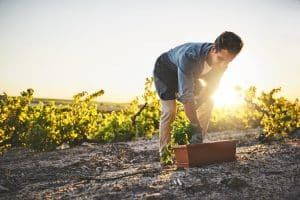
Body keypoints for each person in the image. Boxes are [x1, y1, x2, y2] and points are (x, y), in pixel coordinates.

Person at [153, 31, 243, 162]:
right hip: (165, 71)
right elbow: (186, 96)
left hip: (191, 73)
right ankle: (165, 154)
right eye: (221, 59)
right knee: (170, 111)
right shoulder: (189, 57)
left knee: (208, 102)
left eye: (228, 61)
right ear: (213, 49)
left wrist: (199, 104)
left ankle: (196, 146)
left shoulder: (222, 63)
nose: (223, 65)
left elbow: (212, 87)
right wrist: (194, 124)